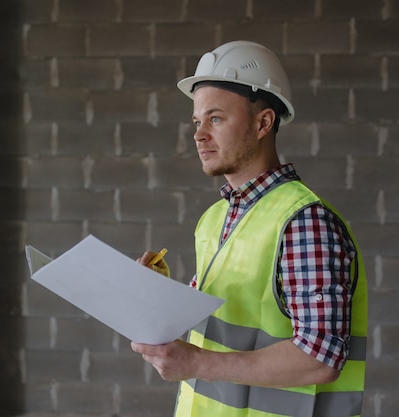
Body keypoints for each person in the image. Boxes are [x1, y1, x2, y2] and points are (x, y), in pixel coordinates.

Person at [132, 40, 368, 417]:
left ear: (264, 123)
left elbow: (320, 357)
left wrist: (195, 363)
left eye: (216, 118)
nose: (199, 134)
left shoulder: (303, 221)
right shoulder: (215, 218)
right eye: (197, 121)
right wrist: (157, 297)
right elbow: (220, 325)